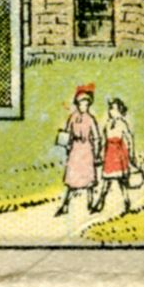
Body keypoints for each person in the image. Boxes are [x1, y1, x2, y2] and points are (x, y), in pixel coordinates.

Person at [56, 84, 102, 215]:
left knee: (89, 181)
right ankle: (65, 205)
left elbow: (97, 137)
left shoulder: (91, 119)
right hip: (75, 151)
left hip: (86, 150)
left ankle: (90, 204)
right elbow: (67, 133)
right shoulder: (72, 117)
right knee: (72, 180)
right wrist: (67, 145)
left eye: (86, 103)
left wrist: (96, 152)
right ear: (77, 103)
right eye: (81, 103)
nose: (84, 106)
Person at [92, 97, 140, 215]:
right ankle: (100, 203)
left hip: (119, 155)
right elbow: (103, 140)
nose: (110, 111)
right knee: (106, 181)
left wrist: (132, 154)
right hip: (109, 155)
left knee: (121, 182)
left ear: (119, 110)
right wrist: (99, 154)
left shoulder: (122, 124)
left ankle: (125, 203)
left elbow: (129, 139)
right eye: (110, 109)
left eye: (113, 108)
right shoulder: (108, 124)